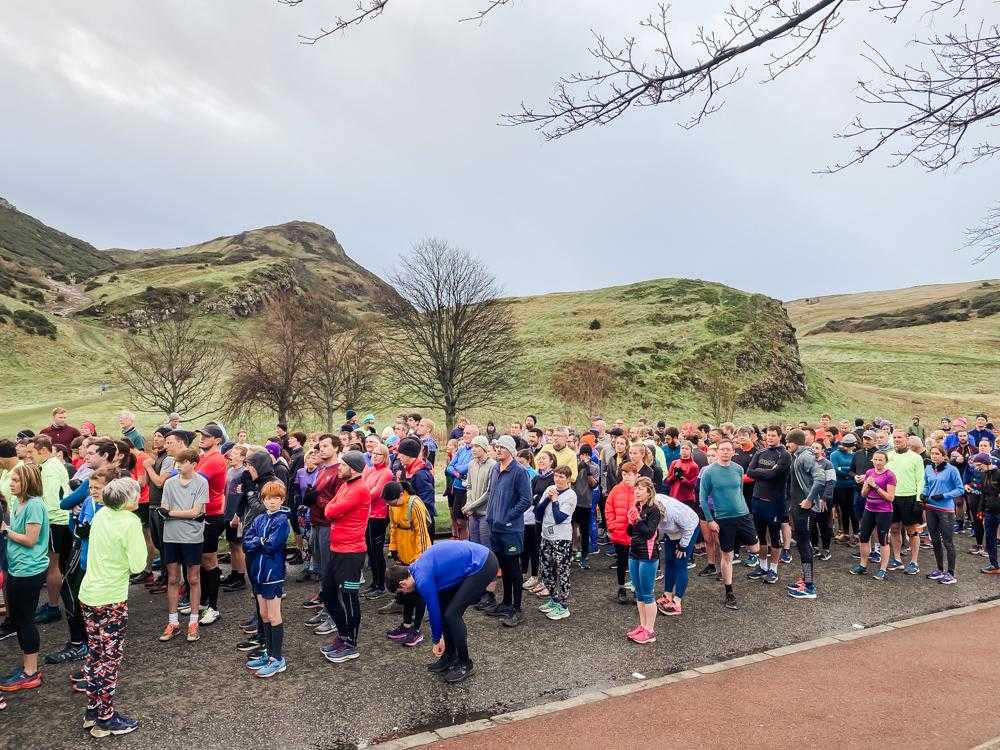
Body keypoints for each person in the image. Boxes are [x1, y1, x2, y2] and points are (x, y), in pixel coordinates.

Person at [77, 477, 148, 737]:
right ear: (128, 500)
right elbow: (139, 564)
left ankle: (92, 708)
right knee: (110, 658)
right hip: (111, 597)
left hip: (89, 592)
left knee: (95, 653)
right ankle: (106, 716)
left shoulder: (101, 514)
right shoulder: (130, 522)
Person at [386, 540, 499, 684]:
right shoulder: (415, 568)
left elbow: (433, 611)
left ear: (403, 584)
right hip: (474, 559)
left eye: (401, 592)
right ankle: (450, 655)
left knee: (452, 614)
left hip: (483, 564)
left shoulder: (422, 579)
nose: (405, 594)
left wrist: (436, 639)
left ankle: (465, 663)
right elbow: (439, 606)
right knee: (446, 609)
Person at [0, 463, 49, 693]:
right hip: (17, 567)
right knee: (19, 619)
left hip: (30, 570)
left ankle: (31, 672)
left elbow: (31, 539)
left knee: (26, 619)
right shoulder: (16, 502)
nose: (11, 484)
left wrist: (5, 530)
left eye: (16, 481)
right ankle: (27, 667)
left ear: (27, 482)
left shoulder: (35, 505)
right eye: (11, 480)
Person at [320, 450, 370, 664]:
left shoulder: (359, 489)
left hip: (351, 553)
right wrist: (332, 508)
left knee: (349, 598)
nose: (338, 468)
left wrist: (332, 509)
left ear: (353, 467)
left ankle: (351, 643)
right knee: (328, 594)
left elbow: (330, 511)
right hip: (337, 549)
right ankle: (342, 634)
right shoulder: (345, 485)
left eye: (342, 465)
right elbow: (330, 508)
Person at [699, 440, 760, 610]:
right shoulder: (709, 472)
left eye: (729, 450)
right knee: (727, 556)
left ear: (733, 452)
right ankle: (729, 591)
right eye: (722, 449)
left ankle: (737, 543)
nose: (725, 452)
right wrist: (710, 520)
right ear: (717, 452)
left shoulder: (738, 469)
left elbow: (739, 491)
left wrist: (745, 511)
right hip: (723, 519)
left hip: (743, 515)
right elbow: (703, 499)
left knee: (755, 548)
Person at [157, 448, 207, 643]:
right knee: (173, 579)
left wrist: (171, 514)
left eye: (183, 462)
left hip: (193, 537)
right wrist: (184, 513)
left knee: (193, 578)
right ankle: (173, 622)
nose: (179, 466)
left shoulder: (202, 482)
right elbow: (164, 508)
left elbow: (197, 511)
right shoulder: (169, 483)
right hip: (171, 536)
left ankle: (193, 621)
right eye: (178, 462)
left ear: (193, 463)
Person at [243, 480, 291, 678]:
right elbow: (246, 542)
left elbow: (272, 545)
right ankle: (268, 652)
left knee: (273, 615)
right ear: (263, 499)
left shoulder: (281, 520)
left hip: (272, 573)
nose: (272, 502)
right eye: (268, 498)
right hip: (257, 572)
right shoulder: (259, 519)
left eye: (276, 498)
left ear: (282, 500)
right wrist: (260, 541)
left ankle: (277, 658)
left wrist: (259, 542)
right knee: (263, 614)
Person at [483, 435, 532, 627]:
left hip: (511, 529)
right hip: (495, 527)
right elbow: (492, 494)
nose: (498, 450)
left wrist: (509, 516)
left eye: (502, 447)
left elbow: (526, 499)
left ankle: (517, 608)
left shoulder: (519, 472)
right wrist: (492, 515)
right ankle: (505, 602)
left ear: (511, 450)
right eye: (496, 447)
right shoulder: (495, 468)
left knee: (513, 568)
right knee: (502, 566)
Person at [384, 481, 433, 645]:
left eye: (393, 502)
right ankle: (406, 625)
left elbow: (423, 535)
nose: (391, 506)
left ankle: (417, 630)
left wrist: (420, 560)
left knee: (418, 594)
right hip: (403, 555)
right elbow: (393, 527)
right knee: (405, 592)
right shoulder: (393, 505)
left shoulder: (415, 504)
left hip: (417, 557)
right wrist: (393, 549)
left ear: (400, 495)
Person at [29, 435, 71, 625]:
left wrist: (40, 518)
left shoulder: (50, 469)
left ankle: (54, 607)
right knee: (52, 564)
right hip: (55, 520)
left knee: (54, 565)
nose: (30, 456)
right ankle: (53, 604)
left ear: (43, 451)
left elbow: (53, 501)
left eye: (32, 452)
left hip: (55, 521)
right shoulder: (48, 465)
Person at [746, 427, 790, 585]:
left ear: (779, 437)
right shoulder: (760, 452)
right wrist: (765, 471)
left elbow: (774, 475)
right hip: (758, 500)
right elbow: (750, 472)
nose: (770, 438)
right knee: (761, 536)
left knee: (774, 537)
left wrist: (761, 471)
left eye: (773, 435)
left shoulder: (784, 455)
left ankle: (774, 570)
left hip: (775, 502)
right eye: (768, 435)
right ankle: (762, 567)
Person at [194, 424, 229, 626]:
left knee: (209, 559)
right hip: (203, 512)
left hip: (212, 513)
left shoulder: (215, 459)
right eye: (202, 435)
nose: (202, 438)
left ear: (217, 440)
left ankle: (213, 608)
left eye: (207, 436)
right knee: (202, 558)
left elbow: (195, 480)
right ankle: (204, 600)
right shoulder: (205, 457)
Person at [536, 465, 577, 621]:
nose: (558, 479)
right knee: (546, 570)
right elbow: (538, 512)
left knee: (562, 571)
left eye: (561, 477)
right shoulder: (550, 489)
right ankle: (554, 599)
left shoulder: (571, 495)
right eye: (556, 476)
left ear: (568, 479)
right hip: (546, 536)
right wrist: (547, 497)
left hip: (562, 538)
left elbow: (559, 517)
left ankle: (564, 605)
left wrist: (554, 501)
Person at [625, 477, 662, 644]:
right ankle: (642, 625)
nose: (637, 491)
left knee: (647, 593)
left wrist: (638, 520)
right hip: (634, 552)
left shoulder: (654, 510)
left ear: (649, 491)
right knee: (639, 592)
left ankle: (650, 630)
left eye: (641, 488)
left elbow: (649, 532)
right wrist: (631, 520)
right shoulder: (637, 507)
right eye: (636, 488)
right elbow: (629, 532)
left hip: (648, 555)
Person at [886, 430, 926, 575]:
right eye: (895, 437)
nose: (897, 440)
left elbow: (920, 479)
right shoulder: (888, 456)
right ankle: (897, 559)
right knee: (894, 529)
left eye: (900, 437)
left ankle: (914, 562)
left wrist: (918, 500)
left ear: (906, 439)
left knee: (912, 531)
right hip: (892, 498)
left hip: (910, 497)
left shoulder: (916, 458)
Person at [851, 451, 896, 580]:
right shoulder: (869, 472)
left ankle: (882, 569)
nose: (877, 462)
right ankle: (863, 565)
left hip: (884, 511)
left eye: (880, 460)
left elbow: (890, 497)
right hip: (869, 509)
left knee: (882, 539)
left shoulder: (890, 475)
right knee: (863, 537)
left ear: (885, 461)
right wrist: (867, 486)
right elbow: (863, 494)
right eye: (875, 459)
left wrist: (875, 486)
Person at [922, 445, 963, 584]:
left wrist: (945, 495)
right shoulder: (928, 468)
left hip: (945, 510)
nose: (934, 456)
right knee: (934, 540)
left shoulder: (952, 470)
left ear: (943, 455)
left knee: (948, 541)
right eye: (932, 453)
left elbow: (960, 489)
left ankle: (951, 573)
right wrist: (924, 493)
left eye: (937, 454)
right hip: (930, 507)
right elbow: (927, 484)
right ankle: (940, 570)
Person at [655, 492, 700, 618]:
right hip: (672, 532)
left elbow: (689, 527)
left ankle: (677, 602)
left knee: (680, 563)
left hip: (688, 528)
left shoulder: (673, 512)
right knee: (669, 561)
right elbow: (659, 528)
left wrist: (683, 545)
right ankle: (667, 594)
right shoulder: (651, 506)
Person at [361, 443, 393, 599]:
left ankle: (381, 585)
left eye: (378, 454)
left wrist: (361, 495)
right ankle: (374, 582)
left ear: (385, 456)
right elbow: (361, 487)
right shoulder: (369, 470)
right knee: (370, 551)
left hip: (379, 516)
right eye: (373, 453)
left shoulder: (386, 473)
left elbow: (374, 493)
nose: (374, 456)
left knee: (377, 551)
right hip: (367, 515)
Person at [605, 462, 639, 604]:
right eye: (624, 474)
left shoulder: (640, 490)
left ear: (636, 475)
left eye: (629, 474)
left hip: (637, 535)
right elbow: (608, 508)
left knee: (636, 563)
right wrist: (612, 526)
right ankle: (621, 588)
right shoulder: (616, 490)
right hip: (619, 533)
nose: (626, 477)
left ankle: (637, 589)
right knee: (621, 562)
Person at [830, 434, 859, 543]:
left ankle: (856, 534)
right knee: (843, 510)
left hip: (852, 486)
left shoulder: (855, 455)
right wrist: (849, 473)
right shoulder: (834, 454)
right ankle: (846, 533)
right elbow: (835, 469)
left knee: (853, 510)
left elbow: (855, 468)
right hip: (840, 486)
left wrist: (845, 470)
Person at [975, 453, 1000, 574]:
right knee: (990, 538)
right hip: (989, 511)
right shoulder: (983, 474)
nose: (978, 468)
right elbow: (983, 494)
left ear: (987, 463)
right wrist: (980, 510)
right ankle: (994, 565)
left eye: (979, 465)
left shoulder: (998, 473)